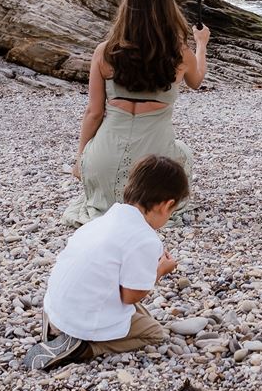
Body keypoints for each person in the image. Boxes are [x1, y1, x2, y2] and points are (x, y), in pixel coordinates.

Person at [67, 0, 207, 226]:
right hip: (153, 170)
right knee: (184, 152)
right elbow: (196, 81)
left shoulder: (105, 51)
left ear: (127, 9)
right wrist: (201, 44)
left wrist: (81, 160)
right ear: (168, 10)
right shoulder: (180, 53)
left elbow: (94, 113)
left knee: (101, 170)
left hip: (103, 162)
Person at [25, 154, 188, 370]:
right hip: (82, 321)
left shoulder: (106, 219)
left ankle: (58, 327)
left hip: (56, 306)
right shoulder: (145, 239)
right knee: (154, 332)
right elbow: (130, 296)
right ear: (166, 206)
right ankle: (83, 346)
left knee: (138, 313)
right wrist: (159, 271)